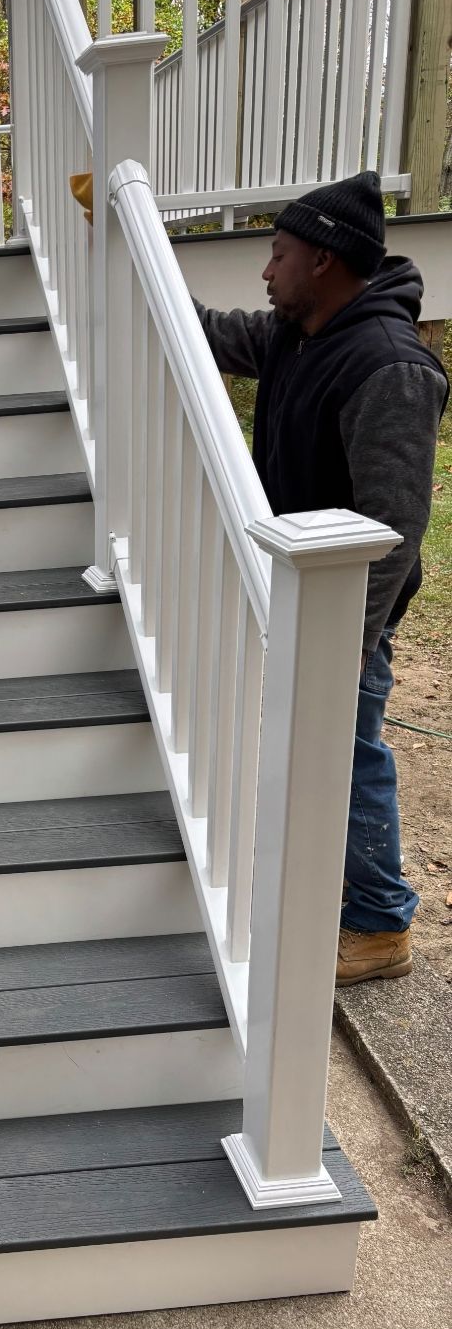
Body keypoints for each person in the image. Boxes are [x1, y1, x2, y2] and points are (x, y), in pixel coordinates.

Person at [187, 170, 448, 984]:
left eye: (278, 254)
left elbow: (396, 527)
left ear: (325, 262)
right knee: (314, 752)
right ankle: (336, 895)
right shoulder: (299, 336)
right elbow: (212, 332)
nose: (267, 271)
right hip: (295, 593)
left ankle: (378, 926)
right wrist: (125, 253)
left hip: (343, 612)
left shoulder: (387, 368)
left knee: (345, 753)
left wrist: (350, 643)